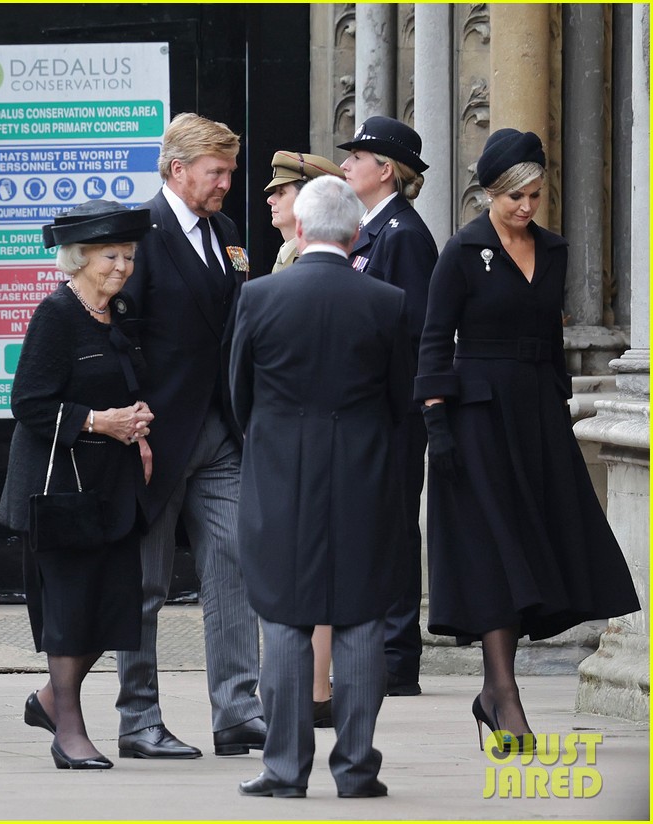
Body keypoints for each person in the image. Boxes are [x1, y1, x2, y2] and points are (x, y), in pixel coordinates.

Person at [415, 129, 640, 752]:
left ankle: (494, 693)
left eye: (535, 194)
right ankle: (502, 693)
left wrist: (561, 408)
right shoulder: (462, 251)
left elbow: (550, 338)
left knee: (533, 550)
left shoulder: (555, 248)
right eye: (515, 196)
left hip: (538, 415)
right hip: (477, 417)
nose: (526, 206)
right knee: (496, 550)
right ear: (490, 192)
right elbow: (435, 341)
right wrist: (437, 425)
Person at [232, 175, 411, 800]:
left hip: (280, 474)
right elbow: (400, 399)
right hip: (363, 472)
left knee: (283, 617)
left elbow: (239, 396)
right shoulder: (387, 302)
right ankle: (358, 768)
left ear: (300, 230)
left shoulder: (258, 296)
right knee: (360, 620)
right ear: (358, 233)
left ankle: (284, 770)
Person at [115, 112, 265, 759]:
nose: (227, 183)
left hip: (220, 434)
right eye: (217, 172)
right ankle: (139, 718)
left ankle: (237, 711)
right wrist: (129, 419)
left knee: (232, 567)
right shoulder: (139, 234)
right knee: (144, 584)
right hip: (155, 435)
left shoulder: (225, 232)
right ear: (178, 170)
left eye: (229, 171)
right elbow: (118, 335)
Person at [0, 200, 155, 770]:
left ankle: (46, 701)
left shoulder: (120, 314)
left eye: (130, 256)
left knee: (113, 608)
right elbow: (29, 404)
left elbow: (127, 383)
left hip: (112, 489)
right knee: (68, 611)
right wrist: (97, 421)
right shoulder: (55, 315)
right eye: (111, 256)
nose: (122, 267)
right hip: (61, 490)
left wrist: (137, 422)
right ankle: (68, 727)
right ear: (78, 258)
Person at [339, 115, 438, 697]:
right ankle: (379, 647)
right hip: (371, 408)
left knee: (395, 528)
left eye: (358, 157)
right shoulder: (374, 229)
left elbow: (416, 330)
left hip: (393, 411)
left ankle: (398, 655)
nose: (346, 164)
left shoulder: (402, 234)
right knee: (375, 527)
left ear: (386, 171)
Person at [262, 149, 345, 728]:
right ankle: (311, 688)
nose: (271, 197)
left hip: (306, 437)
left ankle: (314, 688)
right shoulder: (285, 256)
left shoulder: (308, 263)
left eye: (283, 190)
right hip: (299, 436)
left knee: (309, 564)